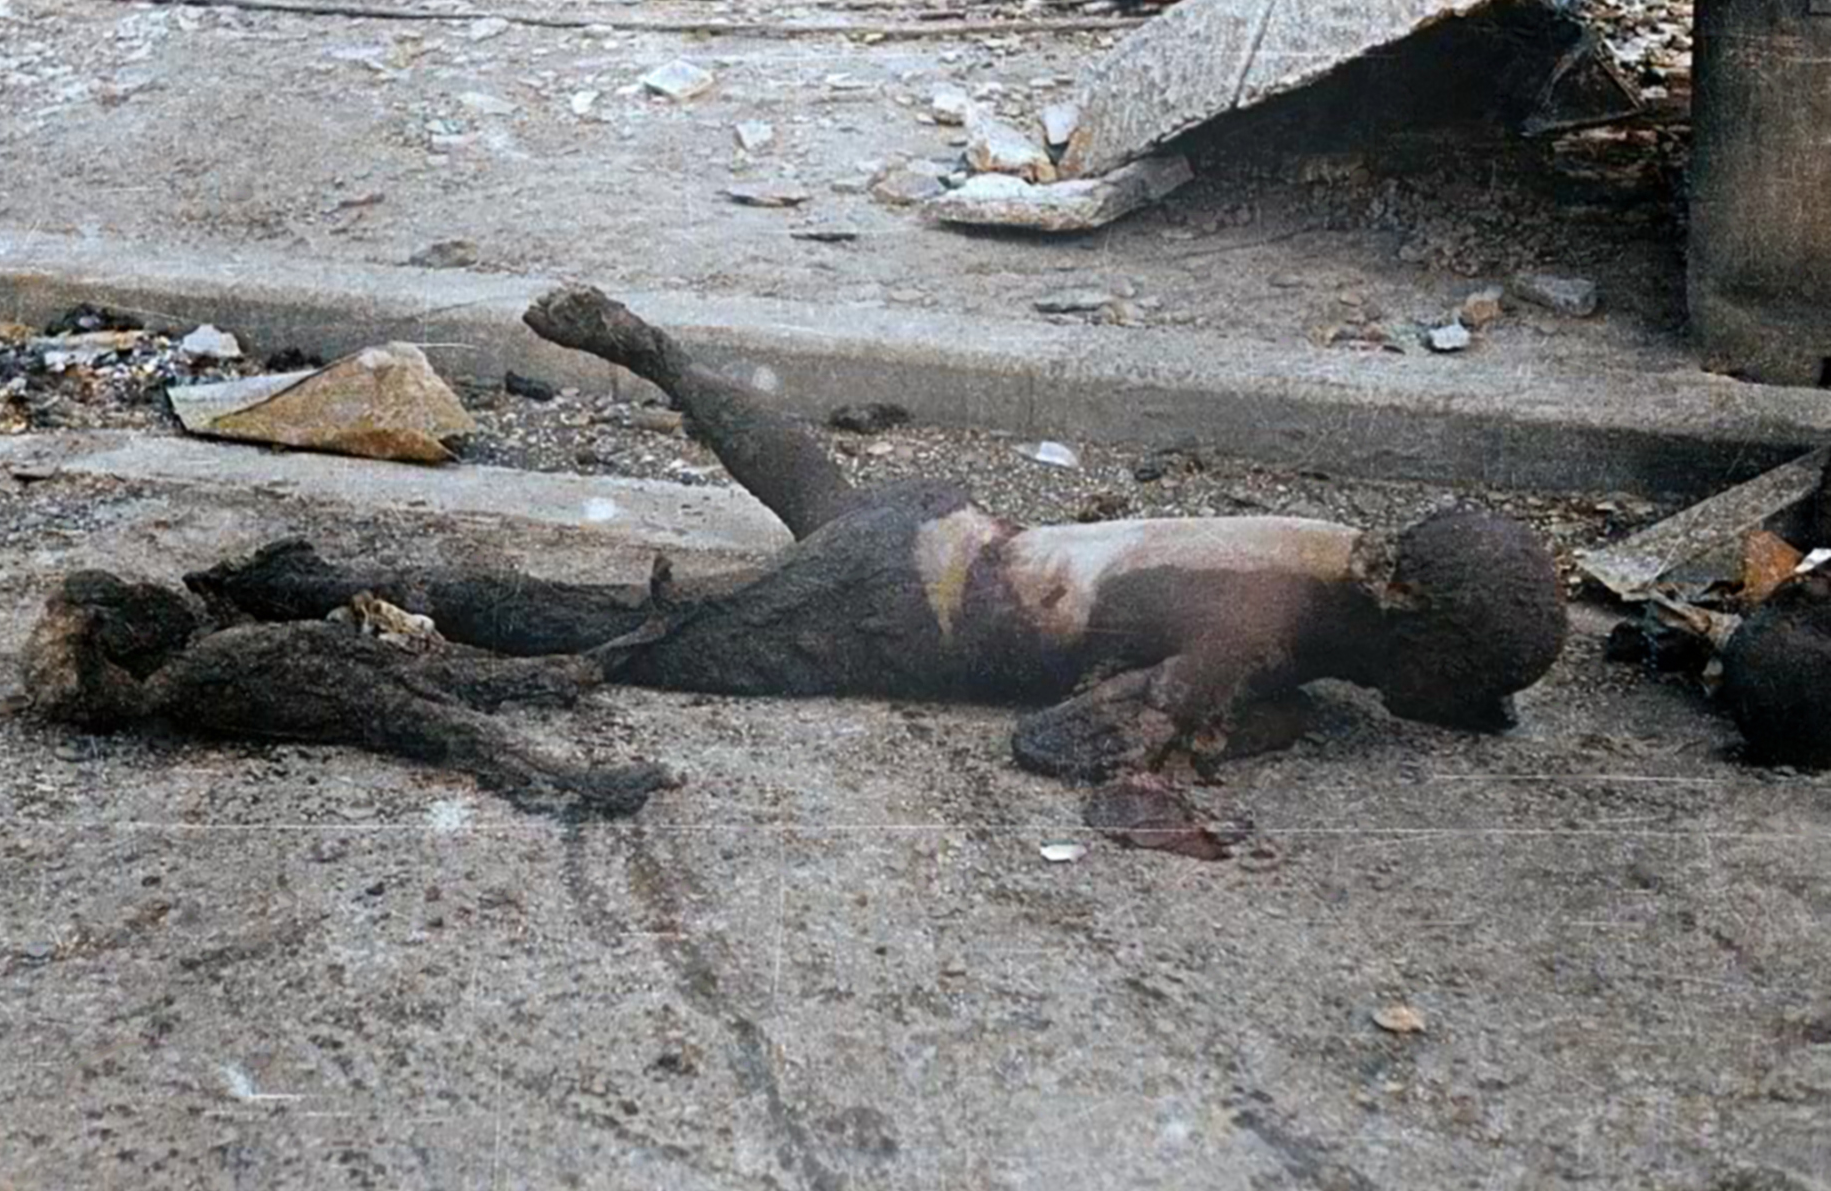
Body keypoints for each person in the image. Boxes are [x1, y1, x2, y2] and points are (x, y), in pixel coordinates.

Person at [187, 284, 1571, 784]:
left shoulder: (1320, 552)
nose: (1457, 709)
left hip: (956, 530)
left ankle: (666, 355)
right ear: (1409, 632)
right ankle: (316, 586)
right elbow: (1057, 743)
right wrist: (1203, 740)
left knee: (814, 479)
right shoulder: (1258, 629)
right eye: (1462, 684)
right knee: (620, 634)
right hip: (922, 611)